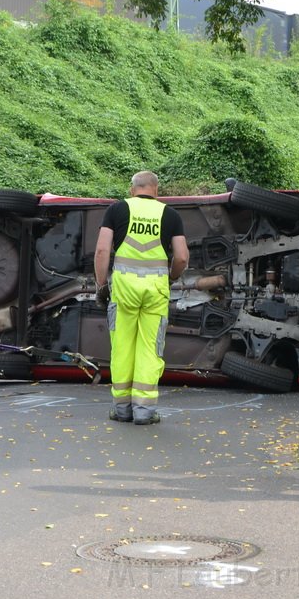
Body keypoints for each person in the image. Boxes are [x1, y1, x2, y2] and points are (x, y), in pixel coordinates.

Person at [94, 171, 188, 425]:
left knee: (123, 347)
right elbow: (181, 257)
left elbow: (103, 250)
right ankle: (145, 412)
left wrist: (101, 284)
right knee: (149, 348)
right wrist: (171, 277)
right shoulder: (170, 214)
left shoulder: (116, 210)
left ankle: (122, 409)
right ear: (157, 190)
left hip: (123, 290)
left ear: (131, 189)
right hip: (155, 292)